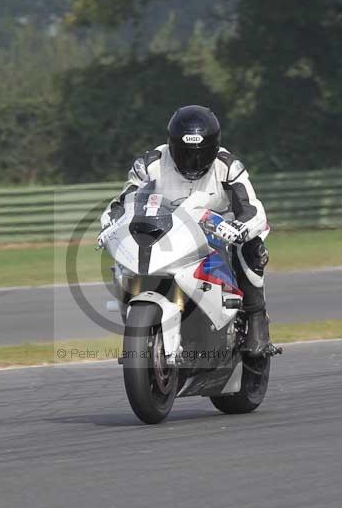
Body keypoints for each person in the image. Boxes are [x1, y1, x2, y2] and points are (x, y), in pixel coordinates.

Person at [100, 105, 272, 355]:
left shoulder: (228, 166)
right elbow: (123, 202)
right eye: (184, 153)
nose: (193, 161)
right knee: (125, 252)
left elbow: (252, 208)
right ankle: (138, 311)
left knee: (253, 247)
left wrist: (239, 228)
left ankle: (256, 317)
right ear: (171, 146)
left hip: (217, 233)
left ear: (213, 149)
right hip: (166, 232)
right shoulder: (150, 164)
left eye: (201, 155)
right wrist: (109, 225)